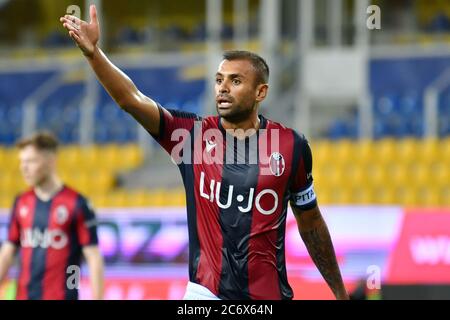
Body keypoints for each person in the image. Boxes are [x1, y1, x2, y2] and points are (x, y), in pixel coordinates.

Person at [60, 5, 348, 300]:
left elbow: (310, 223)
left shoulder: (291, 146)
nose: (223, 88)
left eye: (236, 81)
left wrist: (339, 293)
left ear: (260, 92)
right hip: (204, 295)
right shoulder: (192, 136)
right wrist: (94, 54)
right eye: (219, 79)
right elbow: (131, 100)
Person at [0, 132, 104, 300]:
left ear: (50, 161)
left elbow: (93, 257)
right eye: (21, 161)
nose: (23, 167)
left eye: (30, 161)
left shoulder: (77, 203)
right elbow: (7, 252)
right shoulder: (21, 202)